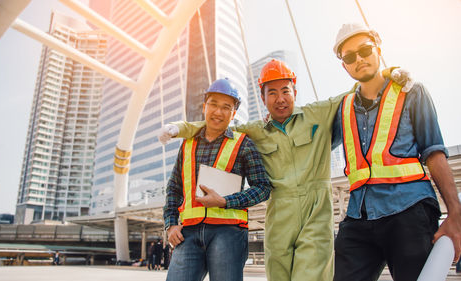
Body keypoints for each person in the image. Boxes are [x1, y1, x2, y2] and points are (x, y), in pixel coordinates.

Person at [159, 60, 410, 280]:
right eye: (272, 93)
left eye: (285, 91)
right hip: (279, 216)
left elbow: (354, 94)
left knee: (310, 275)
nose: (280, 99)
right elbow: (216, 125)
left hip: (315, 211)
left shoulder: (318, 114)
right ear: (263, 97)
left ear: (295, 91)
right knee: (278, 275)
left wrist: (388, 73)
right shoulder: (253, 131)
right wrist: (180, 128)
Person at [331, 23, 461, 281]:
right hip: (358, 216)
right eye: (349, 56)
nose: (359, 59)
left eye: (365, 50)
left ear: (378, 49)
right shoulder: (342, 109)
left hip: (409, 211)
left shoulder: (411, 91)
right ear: (343, 65)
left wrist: (455, 214)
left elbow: (434, 154)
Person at [163, 78, 272, 281]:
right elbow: (174, 188)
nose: (218, 112)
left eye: (226, 107)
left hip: (228, 233)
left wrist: (225, 201)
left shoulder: (244, 144)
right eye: (213, 104)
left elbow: (263, 187)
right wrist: (170, 225)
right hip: (188, 233)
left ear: (233, 114)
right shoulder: (187, 145)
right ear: (205, 106)